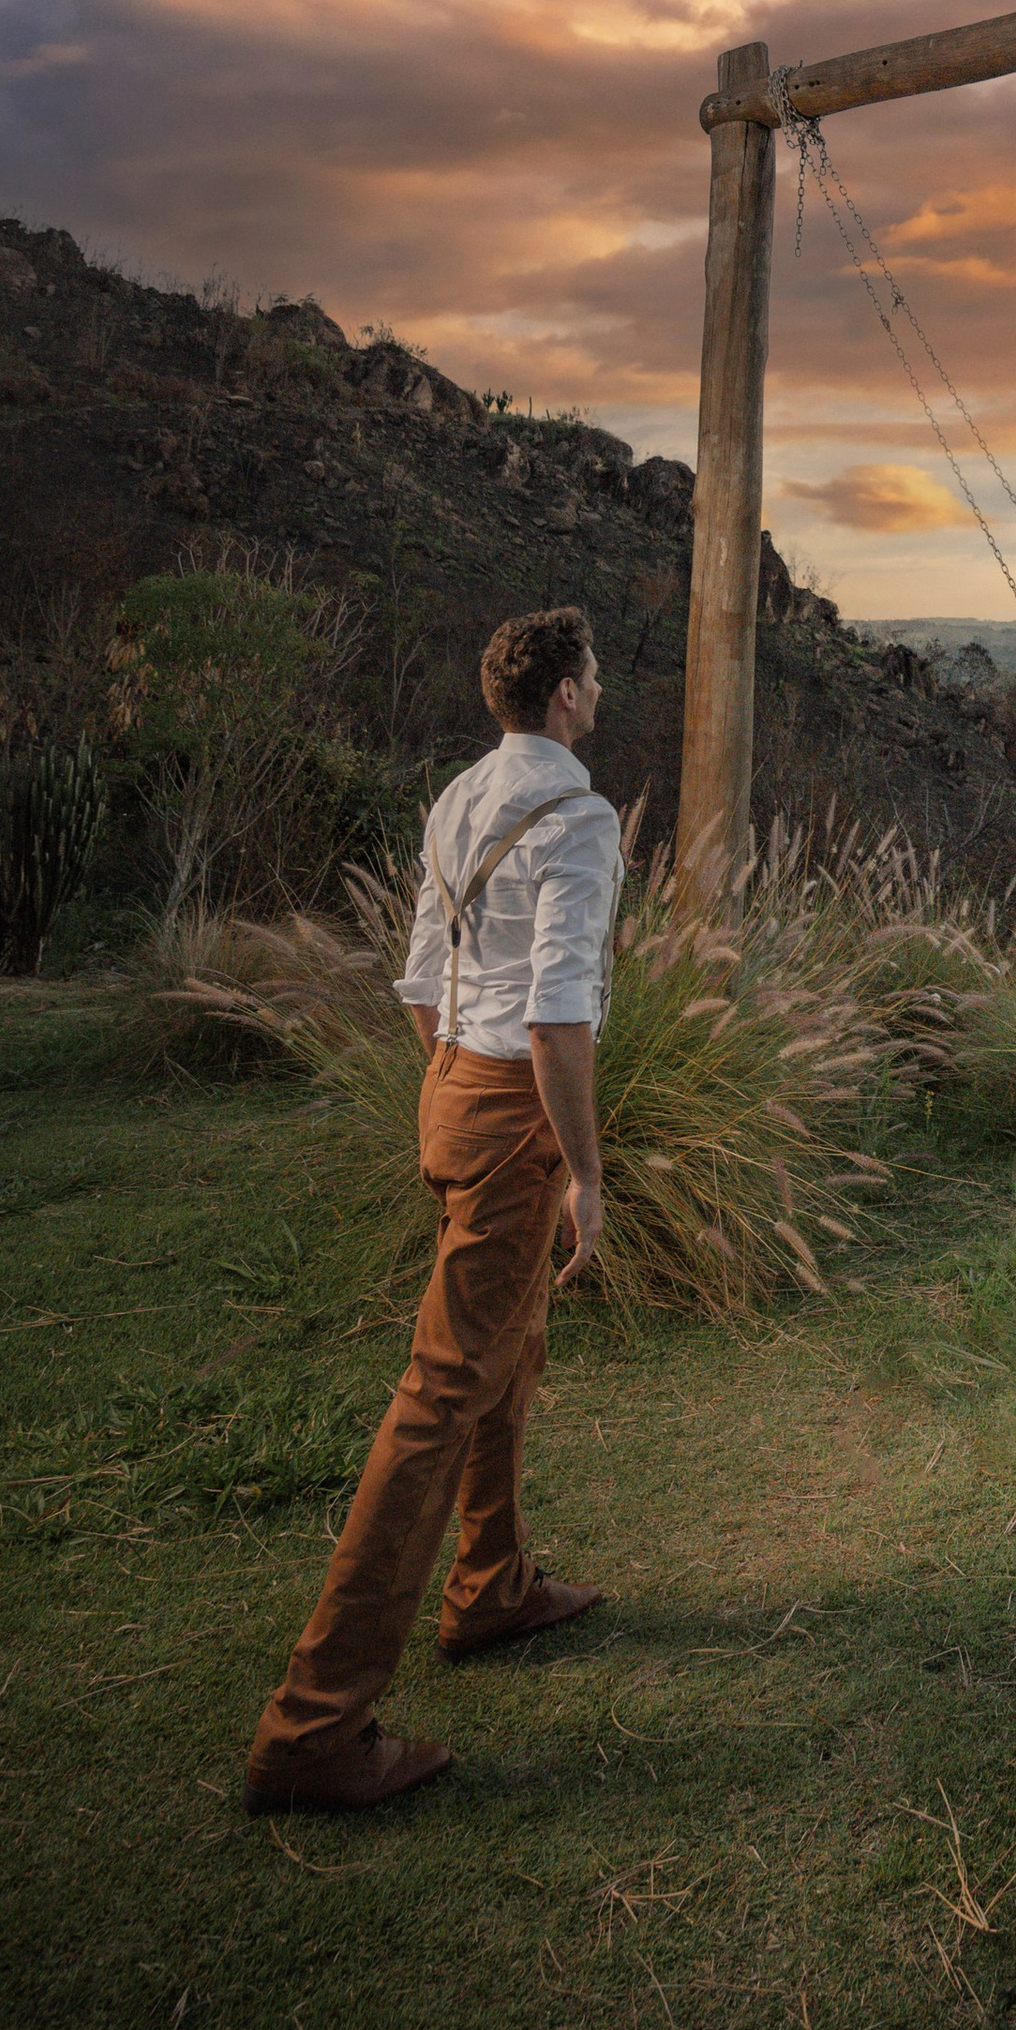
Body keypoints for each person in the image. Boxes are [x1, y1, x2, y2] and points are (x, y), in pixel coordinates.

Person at [241, 604, 623, 1818]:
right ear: (564, 693)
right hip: (517, 1100)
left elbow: (421, 974)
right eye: (594, 675)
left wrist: (458, 1078)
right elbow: (560, 1015)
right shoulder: (580, 815)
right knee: (438, 1397)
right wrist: (584, 1170)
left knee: (508, 1348)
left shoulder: (458, 797)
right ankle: (314, 1728)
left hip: (452, 1080)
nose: (599, 691)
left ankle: (492, 1583)